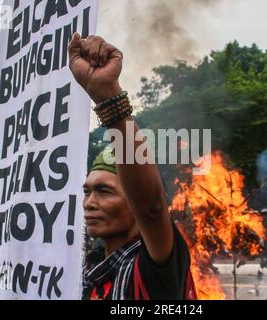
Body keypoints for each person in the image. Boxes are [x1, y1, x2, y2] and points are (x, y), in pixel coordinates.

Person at [68, 33, 196, 300]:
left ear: (134, 202)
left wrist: (107, 96)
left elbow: (151, 206)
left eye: (104, 191)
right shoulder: (86, 271)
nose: (89, 203)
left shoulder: (155, 267)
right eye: (87, 191)